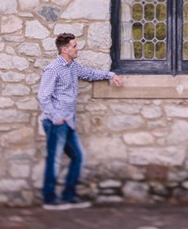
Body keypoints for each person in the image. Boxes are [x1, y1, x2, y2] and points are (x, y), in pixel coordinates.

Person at [37, 32, 124, 210]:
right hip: (56, 122)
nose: (78, 49)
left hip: (68, 121)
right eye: (74, 46)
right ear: (64, 49)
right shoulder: (53, 69)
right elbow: (43, 96)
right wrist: (55, 117)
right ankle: (49, 198)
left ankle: (68, 196)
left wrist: (110, 75)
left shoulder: (73, 66)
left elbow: (89, 73)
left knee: (78, 157)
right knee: (54, 160)